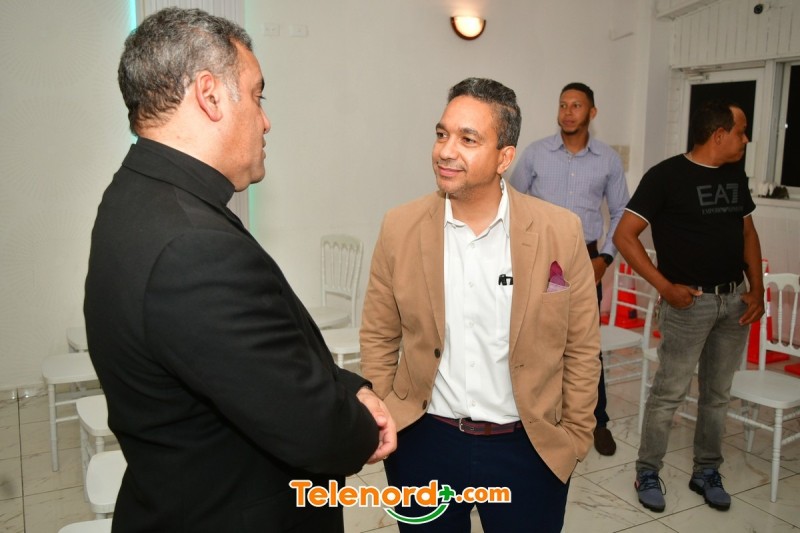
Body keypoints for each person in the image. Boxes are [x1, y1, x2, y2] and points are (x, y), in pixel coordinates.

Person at [83, 8, 395, 532]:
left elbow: (255, 359)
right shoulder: (193, 246)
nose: (265, 119)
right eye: (256, 95)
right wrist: (362, 425)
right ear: (210, 96)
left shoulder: (140, 193)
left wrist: (348, 384)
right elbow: (314, 430)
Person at [360, 78, 601, 533]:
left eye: (468, 139)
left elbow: (582, 346)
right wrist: (385, 407)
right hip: (424, 442)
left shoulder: (560, 231)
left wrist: (574, 436)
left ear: (504, 157)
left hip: (528, 448)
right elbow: (378, 332)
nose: (446, 151)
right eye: (442, 134)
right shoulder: (400, 227)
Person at [613, 99, 764, 513]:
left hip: (733, 302)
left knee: (717, 394)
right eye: (741, 131)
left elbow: (748, 233)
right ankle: (647, 471)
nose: (746, 139)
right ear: (719, 135)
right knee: (669, 393)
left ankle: (707, 470)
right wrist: (665, 286)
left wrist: (757, 290)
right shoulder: (666, 177)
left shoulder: (734, 174)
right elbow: (625, 235)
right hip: (689, 305)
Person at [509, 82, 630, 456]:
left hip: (586, 262)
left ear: (592, 113)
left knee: (585, 344)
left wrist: (605, 259)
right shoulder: (536, 153)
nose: (568, 112)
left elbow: (622, 212)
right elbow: (510, 201)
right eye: (563, 105)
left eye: (576, 105)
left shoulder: (607, 160)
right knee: (532, 338)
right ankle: (530, 416)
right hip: (538, 261)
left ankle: (597, 420)